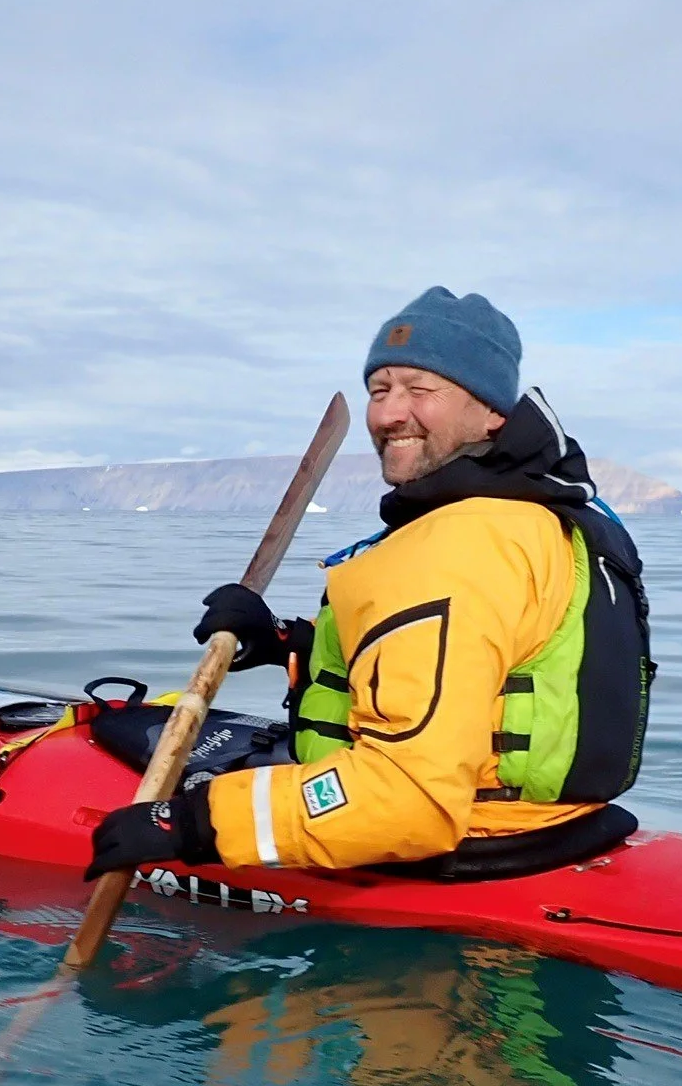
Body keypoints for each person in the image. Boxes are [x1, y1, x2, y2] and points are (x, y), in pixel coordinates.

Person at [88, 286, 652, 881]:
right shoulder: (536, 516)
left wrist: (192, 824)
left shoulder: (455, 547)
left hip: (458, 839)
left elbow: (407, 798)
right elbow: (481, 665)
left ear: (492, 412)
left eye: (420, 389)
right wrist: (288, 642)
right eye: (379, 391)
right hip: (551, 821)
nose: (387, 415)